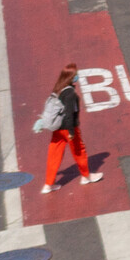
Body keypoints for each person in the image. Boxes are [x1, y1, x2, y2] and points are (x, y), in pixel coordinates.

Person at [41, 63, 99, 192]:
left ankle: (48, 184)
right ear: (72, 77)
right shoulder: (70, 93)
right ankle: (86, 176)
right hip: (69, 128)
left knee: (53, 155)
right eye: (76, 75)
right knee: (79, 152)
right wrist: (72, 131)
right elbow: (69, 114)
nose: (78, 77)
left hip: (57, 129)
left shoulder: (58, 89)